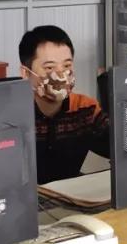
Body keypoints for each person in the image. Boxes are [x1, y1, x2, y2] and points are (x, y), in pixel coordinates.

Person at [19, 25, 109, 184]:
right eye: (49, 67)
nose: (60, 75)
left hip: (69, 195)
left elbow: (119, 146)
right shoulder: (12, 116)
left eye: (67, 66)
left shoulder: (85, 108)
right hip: (23, 197)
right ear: (26, 73)